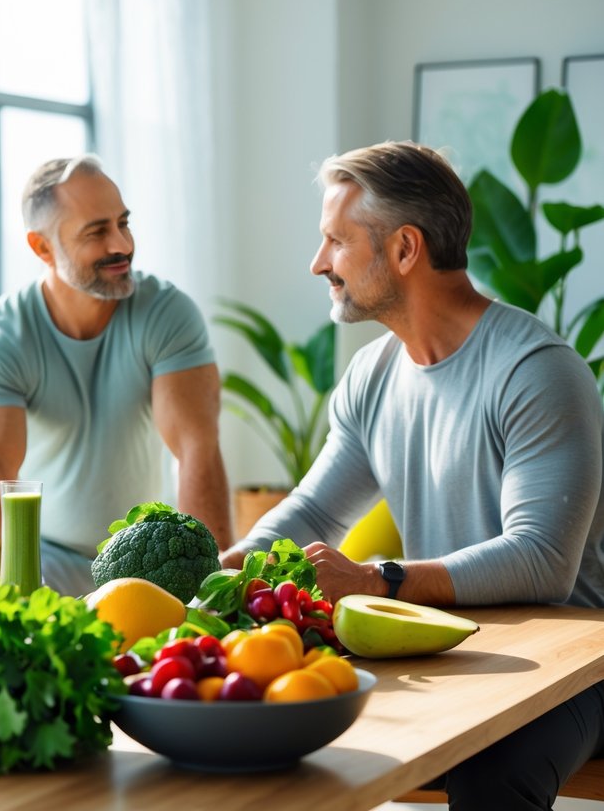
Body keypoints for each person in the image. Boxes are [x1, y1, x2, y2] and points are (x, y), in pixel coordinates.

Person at [222, 141, 604, 809]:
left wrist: (375, 580)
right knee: (265, 727)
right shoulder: (373, 374)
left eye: (336, 242)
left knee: (490, 773)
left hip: (573, 666)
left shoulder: (535, 371)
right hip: (447, 651)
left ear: (404, 249)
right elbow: (310, 514)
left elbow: (542, 562)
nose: (318, 264)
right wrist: (231, 566)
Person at [0, 154, 233, 597]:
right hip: (46, 564)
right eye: (97, 232)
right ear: (42, 248)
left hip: (146, 561)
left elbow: (196, 448)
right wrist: (8, 602)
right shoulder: (1, 338)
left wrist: (210, 592)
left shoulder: (166, 313)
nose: (121, 244)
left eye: (124, 223)